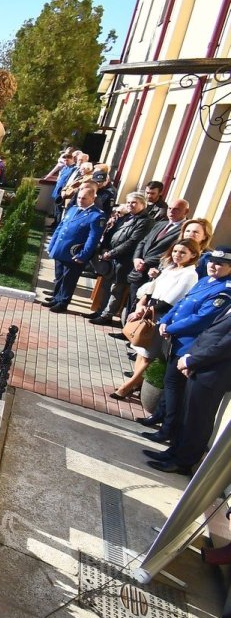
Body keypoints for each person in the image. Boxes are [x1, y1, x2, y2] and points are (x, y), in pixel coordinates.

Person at [140, 249, 231, 462]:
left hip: (207, 363)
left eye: (220, 263)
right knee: (187, 409)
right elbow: (184, 304)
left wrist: (191, 356)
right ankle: (174, 451)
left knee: (195, 416)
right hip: (195, 354)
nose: (213, 265)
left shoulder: (225, 291)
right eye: (212, 261)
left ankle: (179, 456)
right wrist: (165, 322)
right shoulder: (207, 281)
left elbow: (207, 325)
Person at [110, 239, 200, 400]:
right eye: (175, 251)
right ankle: (135, 383)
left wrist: (147, 310)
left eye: (182, 252)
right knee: (140, 350)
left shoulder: (190, 274)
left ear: (193, 255)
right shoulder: (170, 268)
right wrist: (142, 304)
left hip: (162, 315)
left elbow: (173, 300)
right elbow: (152, 288)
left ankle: (127, 387)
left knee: (149, 355)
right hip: (149, 309)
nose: (177, 255)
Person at [89, 191, 153, 325]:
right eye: (128, 202)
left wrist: (111, 253)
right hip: (111, 257)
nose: (130, 205)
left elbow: (132, 242)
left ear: (143, 204)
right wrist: (105, 248)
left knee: (115, 289)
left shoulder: (146, 221)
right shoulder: (125, 217)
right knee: (106, 286)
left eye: (134, 202)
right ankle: (100, 311)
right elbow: (111, 232)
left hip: (124, 261)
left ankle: (107, 315)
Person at [44, 183, 104, 313]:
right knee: (59, 276)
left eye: (84, 199)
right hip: (61, 249)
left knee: (69, 279)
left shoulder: (97, 215)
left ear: (92, 199)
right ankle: (56, 297)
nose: (80, 200)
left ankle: (63, 302)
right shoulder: (73, 209)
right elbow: (60, 227)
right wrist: (52, 244)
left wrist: (83, 255)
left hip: (74, 253)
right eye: (79, 198)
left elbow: (92, 239)